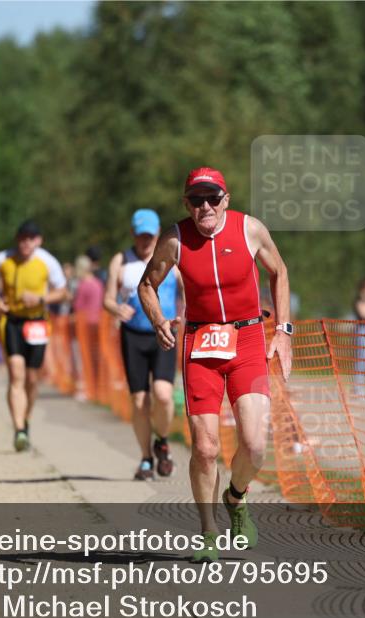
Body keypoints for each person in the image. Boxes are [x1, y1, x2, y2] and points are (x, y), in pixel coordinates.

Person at [137, 167, 292, 563]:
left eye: (212, 198)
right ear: (186, 204)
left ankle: (235, 497)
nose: (204, 206)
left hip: (249, 338)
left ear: (226, 199)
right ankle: (208, 533)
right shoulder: (175, 239)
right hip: (201, 344)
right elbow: (146, 284)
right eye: (195, 200)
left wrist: (284, 331)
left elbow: (280, 272)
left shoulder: (250, 230)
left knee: (255, 444)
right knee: (205, 449)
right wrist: (158, 321)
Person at [103, 209, 184, 481]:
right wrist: (116, 309)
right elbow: (108, 299)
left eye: (150, 236)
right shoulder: (121, 261)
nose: (145, 241)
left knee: (162, 394)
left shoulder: (170, 256)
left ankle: (162, 440)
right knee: (139, 400)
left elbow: (190, 289)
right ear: (133, 235)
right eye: (141, 236)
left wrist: (188, 315)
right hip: (133, 335)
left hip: (164, 333)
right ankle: (146, 458)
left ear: (158, 234)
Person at [0, 220, 67, 452]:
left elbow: (62, 291)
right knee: (16, 374)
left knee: (32, 378)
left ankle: (26, 418)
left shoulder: (47, 262)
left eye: (30, 239)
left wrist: (41, 299)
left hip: (37, 321)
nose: (25, 243)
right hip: (12, 321)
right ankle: (19, 429)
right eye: (22, 238)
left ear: (38, 241)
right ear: (16, 239)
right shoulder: (1, 260)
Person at [72, 254, 103, 402]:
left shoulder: (83, 284)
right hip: (98, 322)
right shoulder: (97, 283)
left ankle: (87, 388)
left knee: (83, 356)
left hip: (84, 325)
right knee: (95, 356)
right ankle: (96, 387)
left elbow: (78, 306)